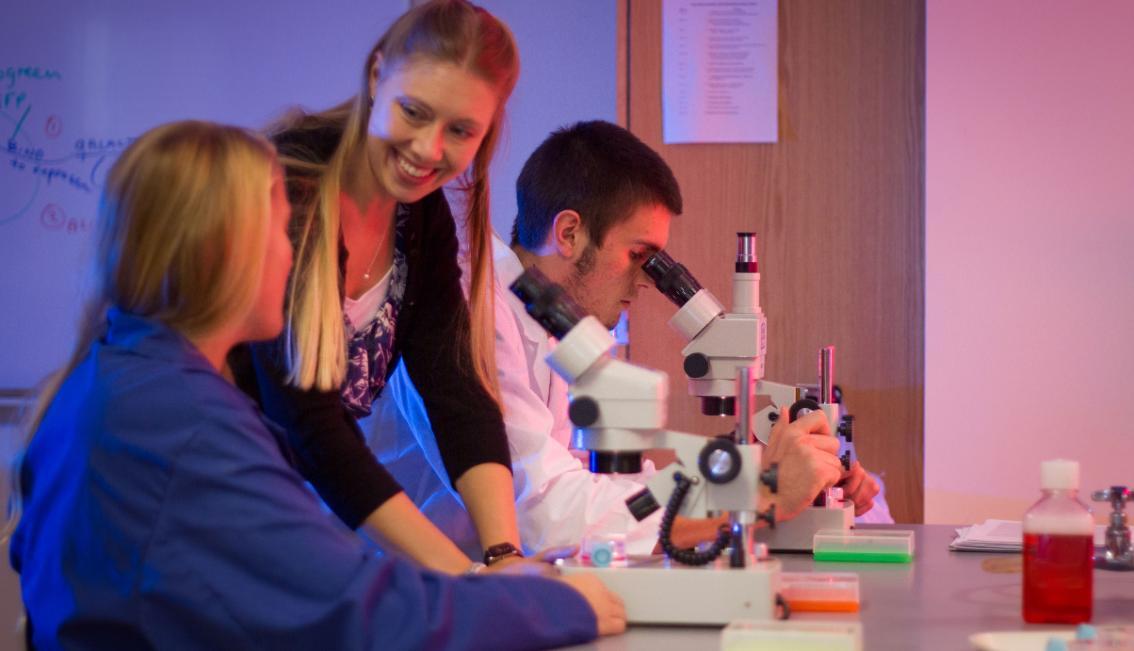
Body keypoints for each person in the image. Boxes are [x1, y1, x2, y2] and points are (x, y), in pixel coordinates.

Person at [8, 120, 624, 650]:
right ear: (224, 254)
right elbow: (352, 605)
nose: (303, 256)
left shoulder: (113, 381)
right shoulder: (188, 420)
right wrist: (562, 606)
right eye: (286, 232)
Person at [367, 121, 880, 558]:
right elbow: (542, 513)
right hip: (407, 598)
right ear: (568, 233)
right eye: (640, 255)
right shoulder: (471, 308)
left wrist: (769, 476)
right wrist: (755, 492)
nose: (647, 281)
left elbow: (599, 492)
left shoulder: (550, 326)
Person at [229, 0, 534, 575]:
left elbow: (456, 390)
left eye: (460, 130)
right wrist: (471, 579)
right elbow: (309, 426)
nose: (427, 149)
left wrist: (504, 555)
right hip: (192, 507)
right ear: (376, 76)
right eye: (414, 112)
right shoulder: (286, 191)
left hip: (264, 511)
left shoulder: (419, 216)